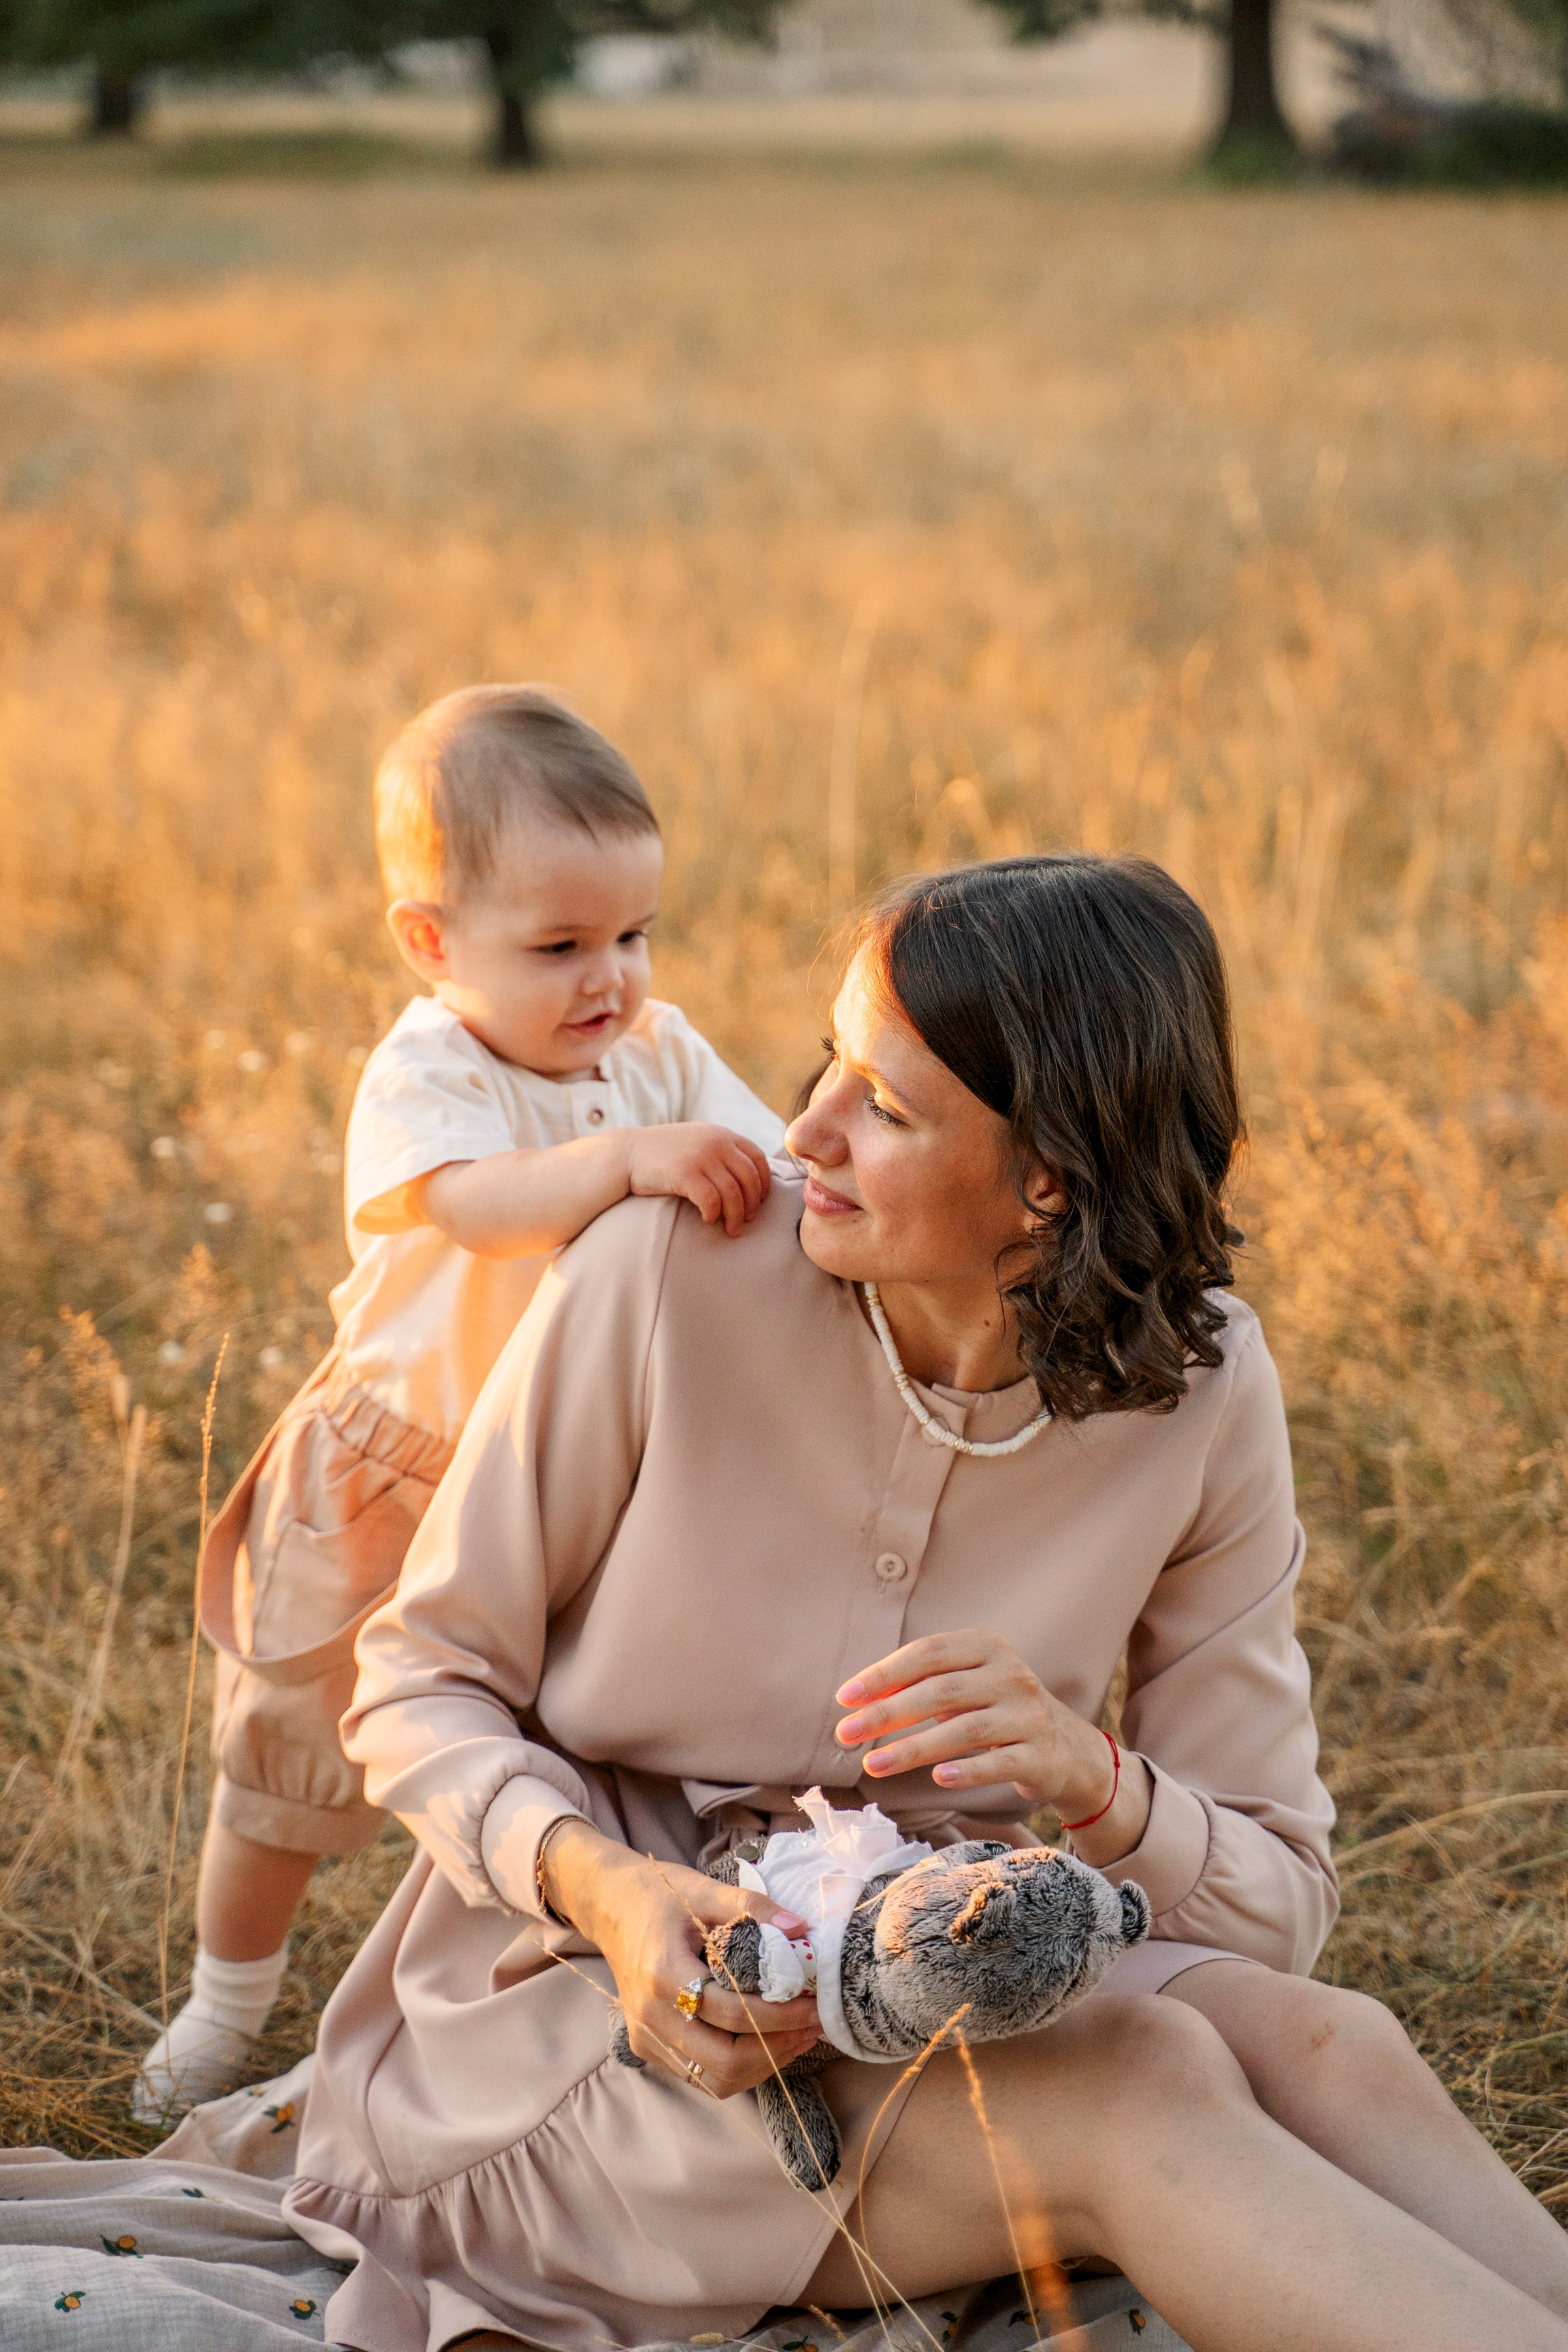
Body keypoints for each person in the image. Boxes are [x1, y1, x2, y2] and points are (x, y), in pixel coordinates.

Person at [284, 855, 1568, 2352]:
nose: (802, 1130)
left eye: (884, 1108)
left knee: (1337, 2047)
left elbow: (1279, 1905)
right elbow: (413, 1679)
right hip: (584, 2030)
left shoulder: (1205, 1385)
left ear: (1053, 1178)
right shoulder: (661, 1272)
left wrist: (1095, 1783)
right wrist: (599, 1886)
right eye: (828, 1064)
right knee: (1138, 2080)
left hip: (946, 1964)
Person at [134, 686, 785, 2122]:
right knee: (292, 1770)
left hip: (553, 1492)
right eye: (557, 946)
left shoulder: (654, 1054)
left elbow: (773, 1158)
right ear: (433, 945)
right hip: (390, 1473)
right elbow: (480, 1209)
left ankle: (472, 2023)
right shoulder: (431, 1067)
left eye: (632, 934)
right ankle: (223, 2002)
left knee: (520, 1767)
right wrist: (626, 1165)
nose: (607, 977)